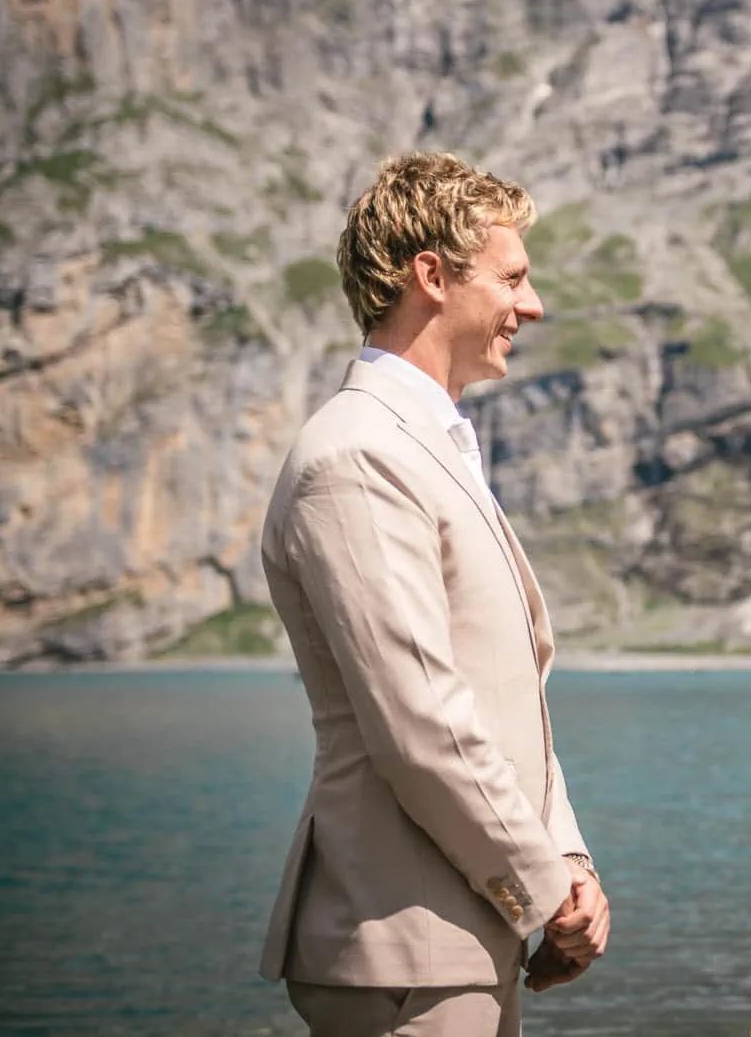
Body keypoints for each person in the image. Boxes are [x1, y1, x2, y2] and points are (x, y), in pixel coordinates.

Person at [257, 151, 610, 1037]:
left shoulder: (422, 444)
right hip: (403, 949)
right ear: (431, 276)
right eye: (512, 278)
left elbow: (507, 700)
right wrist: (545, 889)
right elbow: (422, 725)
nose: (533, 305)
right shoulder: (357, 455)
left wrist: (570, 859)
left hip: (457, 940)